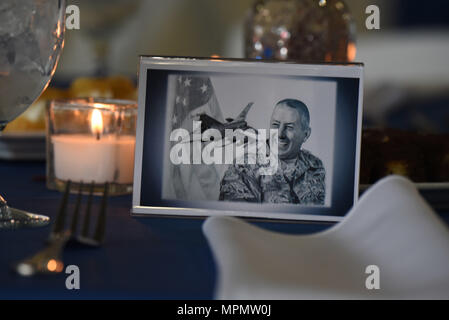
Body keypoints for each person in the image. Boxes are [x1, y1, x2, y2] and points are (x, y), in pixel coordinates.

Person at [219, 98, 325, 205]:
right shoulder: (243, 167)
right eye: (275, 125)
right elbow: (237, 217)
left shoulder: (315, 166)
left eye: (289, 127)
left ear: (306, 135)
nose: (280, 134)